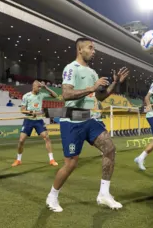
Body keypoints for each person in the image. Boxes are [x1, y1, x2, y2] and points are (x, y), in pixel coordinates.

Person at [45, 37, 129, 212]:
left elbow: (100, 97)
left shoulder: (92, 73)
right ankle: (52, 196)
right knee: (71, 164)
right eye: (90, 48)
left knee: (110, 149)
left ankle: (104, 194)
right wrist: (92, 88)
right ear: (80, 50)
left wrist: (115, 83)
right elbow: (66, 94)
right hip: (72, 120)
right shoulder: (71, 68)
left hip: (90, 119)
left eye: (94, 48)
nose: (94, 51)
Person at [12, 80, 59, 167]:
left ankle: (51, 159)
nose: (40, 88)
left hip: (39, 120)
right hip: (29, 120)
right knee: (21, 140)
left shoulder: (41, 94)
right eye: (39, 87)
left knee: (47, 137)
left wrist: (46, 88)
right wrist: (31, 112)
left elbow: (55, 96)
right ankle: (18, 160)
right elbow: (22, 110)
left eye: (40, 87)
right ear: (33, 87)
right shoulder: (26, 96)